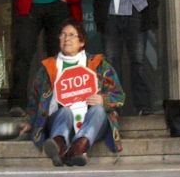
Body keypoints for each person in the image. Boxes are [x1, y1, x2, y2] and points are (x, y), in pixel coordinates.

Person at [19, 19, 125, 167]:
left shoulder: (99, 64)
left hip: (91, 124)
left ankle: (76, 147)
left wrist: (103, 100)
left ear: (82, 42)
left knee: (99, 110)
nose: (66, 38)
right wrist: (29, 121)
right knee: (65, 112)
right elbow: (34, 99)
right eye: (63, 35)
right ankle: (61, 146)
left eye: (71, 35)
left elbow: (119, 95)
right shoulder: (48, 67)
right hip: (59, 121)